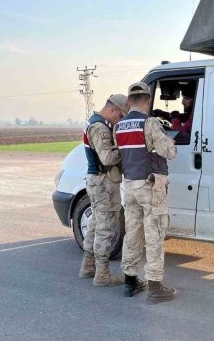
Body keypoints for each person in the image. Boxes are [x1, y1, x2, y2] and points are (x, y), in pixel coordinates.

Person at [115, 82, 178, 303]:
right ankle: (154, 286)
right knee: (154, 236)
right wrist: (170, 141)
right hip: (150, 187)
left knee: (132, 234)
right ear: (148, 100)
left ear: (129, 102)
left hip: (129, 185)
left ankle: (130, 283)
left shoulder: (119, 126)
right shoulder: (149, 123)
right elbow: (169, 152)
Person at [79, 94, 131, 287]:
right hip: (103, 181)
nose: (120, 120)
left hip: (97, 181)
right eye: (120, 115)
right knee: (105, 227)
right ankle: (102, 274)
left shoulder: (95, 122)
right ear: (112, 110)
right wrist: (126, 147)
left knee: (95, 224)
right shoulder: (100, 127)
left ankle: (88, 267)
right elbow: (108, 158)